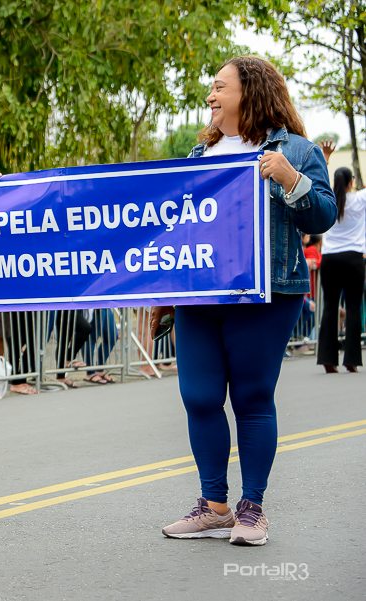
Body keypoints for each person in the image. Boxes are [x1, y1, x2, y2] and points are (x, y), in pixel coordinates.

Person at [155, 56, 336, 546]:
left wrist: (290, 179)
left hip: (266, 293)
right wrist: (164, 292)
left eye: (219, 87)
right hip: (202, 295)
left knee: (252, 398)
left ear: (249, 92)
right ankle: (213, 505)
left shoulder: (294, 150)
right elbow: (179, 228)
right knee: (199, 397)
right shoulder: (199, 154)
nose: (210, 96)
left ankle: (251, 509)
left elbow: (322, 216)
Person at [315, 154, 365, 373]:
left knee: (330, 307)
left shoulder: (328, 200)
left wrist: (325, 160)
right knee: (353, 307)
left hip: (330, 259)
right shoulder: (360, 199)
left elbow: (316, 182)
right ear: (351, 182)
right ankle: (351, 360)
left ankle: (328, 359)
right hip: (353, 259)